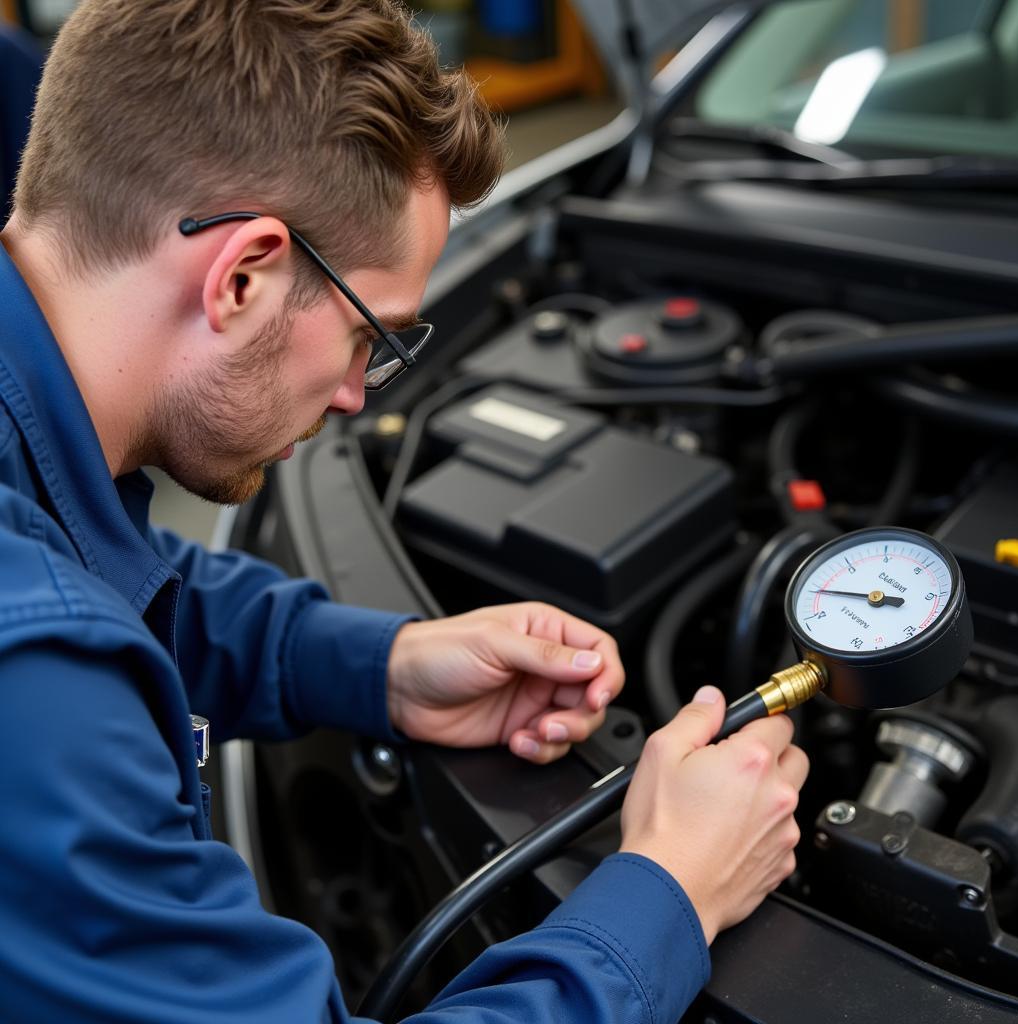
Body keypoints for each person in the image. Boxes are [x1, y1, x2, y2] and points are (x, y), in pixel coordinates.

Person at [0, 1, 808, 1021]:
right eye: (368, 340)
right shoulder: (31, 683)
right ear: (242, 274)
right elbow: (64, 634)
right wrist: (670, 893)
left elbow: (123, 579)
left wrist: (378, 664)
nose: (354, 396)